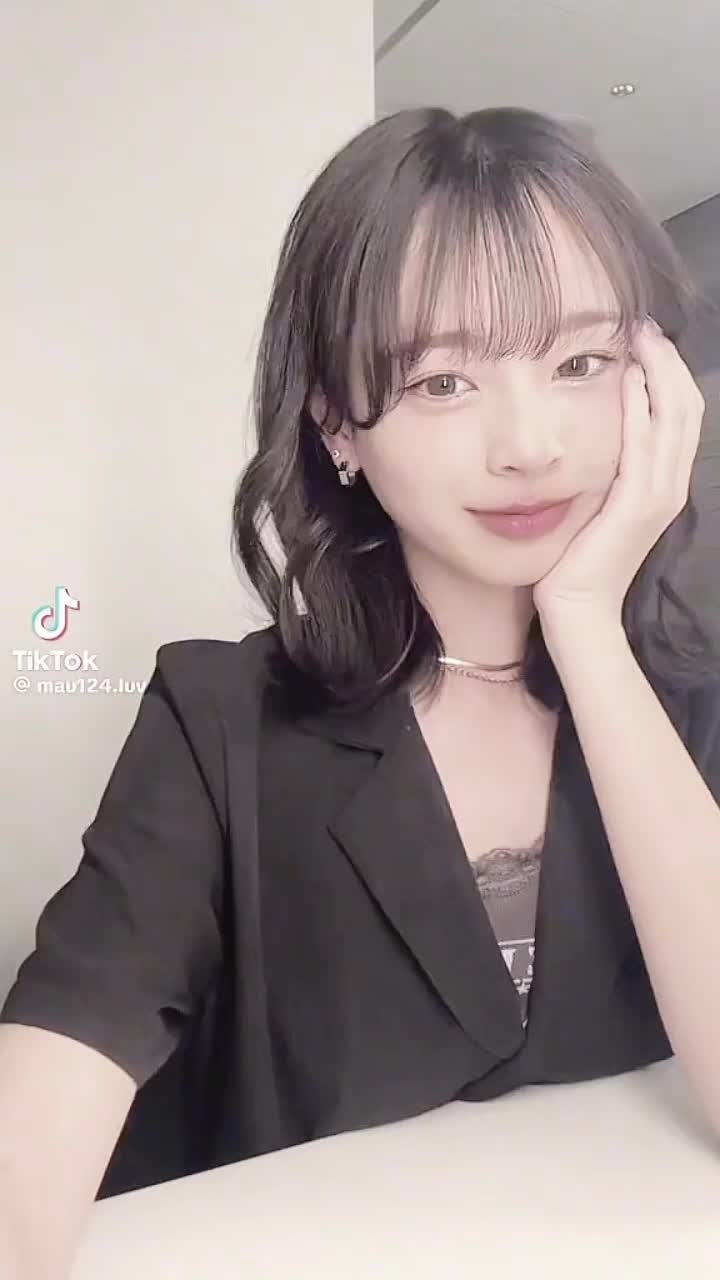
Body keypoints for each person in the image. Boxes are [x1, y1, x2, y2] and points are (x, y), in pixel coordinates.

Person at [0, 105, 716, 1278]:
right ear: (338, 425)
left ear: (653, 390)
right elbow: (47, 1091)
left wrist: (585, 623)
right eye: (444, 380)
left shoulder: (688, 707)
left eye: (580, 363)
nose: (529, 443)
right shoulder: (217, 721)